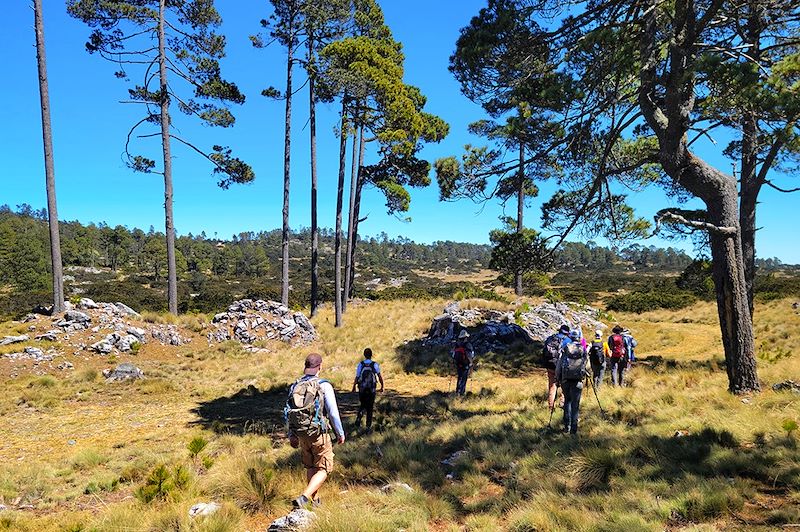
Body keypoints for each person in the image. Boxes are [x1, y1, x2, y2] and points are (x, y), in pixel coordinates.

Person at [285, 353, 345, 509]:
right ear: (320, 366)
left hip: (301, 434)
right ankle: (305, 497)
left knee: (311, 466)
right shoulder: (324, 385)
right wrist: (340, 433)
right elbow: (332, 412)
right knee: (324, 468)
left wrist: (291, 434)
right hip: (319, 433)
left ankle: (316, 501)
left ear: (305, 366)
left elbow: (289, 411)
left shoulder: (295, 386)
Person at [556, 330, 589, 435]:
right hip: (578, 380)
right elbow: (587, 365)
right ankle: (574, 430)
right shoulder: (582, 349)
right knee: (576, 404)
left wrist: (558, 377)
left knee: (567, 402)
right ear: (579, 338)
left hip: (565, 379)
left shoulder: (565, 348)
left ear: (570, 337)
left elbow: (559, 364)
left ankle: (567, 427)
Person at [352, 347, 384, 430]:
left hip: (362, 388)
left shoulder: (361, 364)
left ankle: (358, 420)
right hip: (371, 389)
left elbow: (357, 376)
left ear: (364, 355)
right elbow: (379, 376)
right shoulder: (374, 364)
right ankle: (368, 426)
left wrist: (354, 387)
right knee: (370, 406)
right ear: (371, 355)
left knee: (362, 404)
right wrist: (382, 386)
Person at [542, 324, 571, 410]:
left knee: (552, 385)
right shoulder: (568, 340)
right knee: (564, 385)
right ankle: (562, 403)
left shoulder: (550, 338)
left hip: (550, 365)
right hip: (562, 366)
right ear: (567, 332)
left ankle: (551, 407)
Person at [451, 330, 474, 396]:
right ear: (466, 337)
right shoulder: (468, 345)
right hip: (465, 364)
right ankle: (462, 393)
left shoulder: (457, 344)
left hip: (458, 363)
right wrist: (471, 363)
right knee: (464, 378)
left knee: (459, 377)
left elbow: (453, 354)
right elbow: (469, 355)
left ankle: (457, 391)